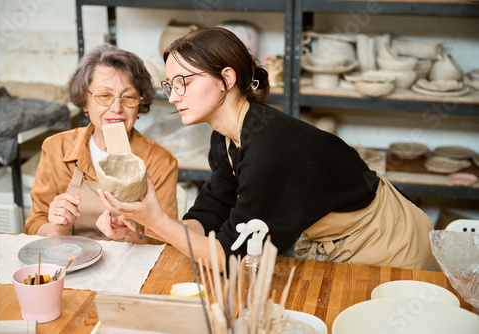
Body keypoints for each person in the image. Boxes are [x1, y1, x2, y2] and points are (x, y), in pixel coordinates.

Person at [97, 28, 439, 271]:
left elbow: (230, 258)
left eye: (184, 82)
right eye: (170, 85)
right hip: (341, 241)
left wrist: (157, 220)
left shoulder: (269, 146)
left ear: (226, 79)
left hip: (384, 242)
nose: (172, 97)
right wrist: (148, 228)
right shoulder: (226, 137)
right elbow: (211, 216)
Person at [24, 43, 178, 243]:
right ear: (84, 101)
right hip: (72, 263)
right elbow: (34, 223)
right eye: (104, 96)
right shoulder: (56, 148)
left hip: (133, 266)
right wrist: (54, 229)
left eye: (128, 97)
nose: (116, 108)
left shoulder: (160, 161)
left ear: (139, 105)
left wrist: (132, 233)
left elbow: (169, 241)